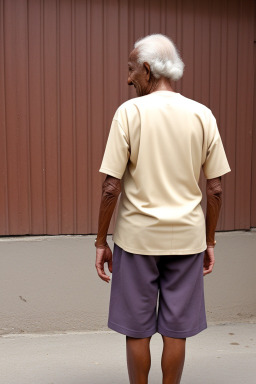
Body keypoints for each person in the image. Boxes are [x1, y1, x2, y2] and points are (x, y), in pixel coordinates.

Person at [95, 34, 231, 384]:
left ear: (147, 69)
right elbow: (214, 188)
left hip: (137, 240)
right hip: (187, 240)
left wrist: (100, 242)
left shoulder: (129, 113)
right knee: (176, 331)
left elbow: (111, 186)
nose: (128, 79)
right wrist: (210, 241)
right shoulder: (202, 114)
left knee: (137, 330)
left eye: (130, 70)